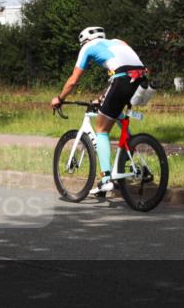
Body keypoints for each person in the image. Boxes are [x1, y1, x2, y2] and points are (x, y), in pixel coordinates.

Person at [50, 26, 147, 194]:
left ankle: (105, 179)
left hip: (123, 78)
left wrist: (59, 98)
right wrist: (102, 98)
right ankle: (131, 149)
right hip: (142, 78)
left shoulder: (87, 47)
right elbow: (120, 70)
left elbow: (74, 80)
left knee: (101, 130)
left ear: (84, 41)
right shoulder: (117, 42)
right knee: (114, 112)